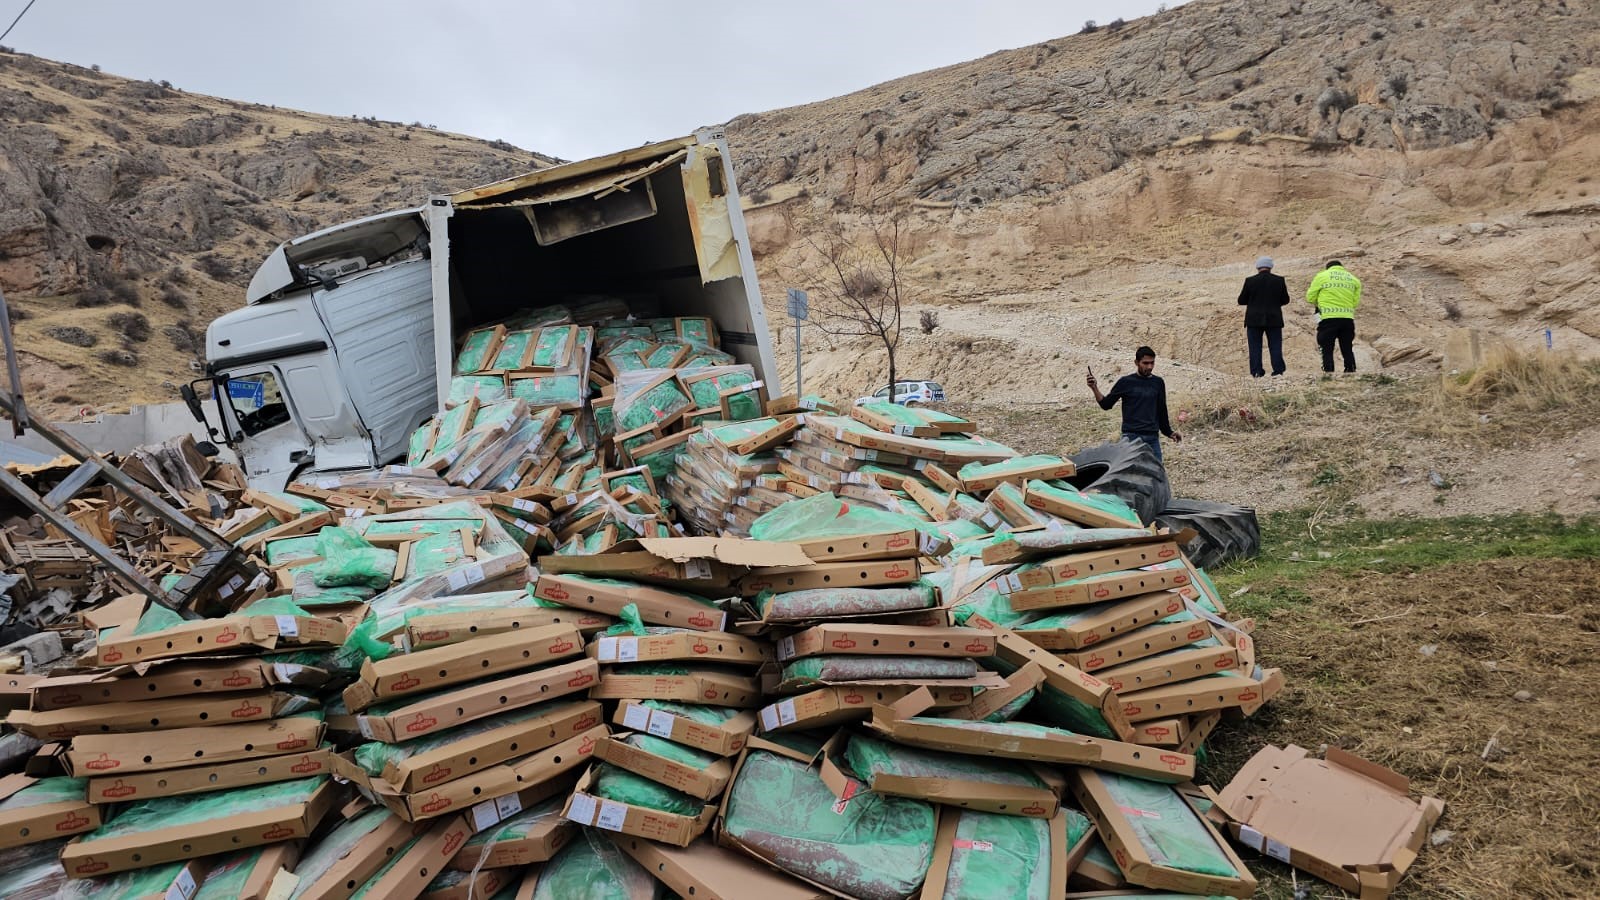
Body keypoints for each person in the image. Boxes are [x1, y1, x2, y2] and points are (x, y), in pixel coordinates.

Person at [1086, 346, 1182, 464]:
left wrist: (1169, 432)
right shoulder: (1125, 382)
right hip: (1130, 438)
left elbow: (1162, 410)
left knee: (1157, 473)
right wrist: (1094, 388)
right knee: (1130, 473)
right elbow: (1106, 404)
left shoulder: (1158, 382)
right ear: (1136, 362)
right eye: (1145, 363)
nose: (1149, 367)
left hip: (1152, 438)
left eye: (1152, 363)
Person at [1237, 256, 1289, 377]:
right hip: (1274, 318)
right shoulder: (1279, 280)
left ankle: (1256, 371)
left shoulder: (1250, 281)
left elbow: (1241, 300)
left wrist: (1253, 301)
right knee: (1275, 345)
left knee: (1255, 347)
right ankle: (1278, 371)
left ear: (1257, 267)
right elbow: (1285, 300)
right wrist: (1275, 303)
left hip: (1253, 319)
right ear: (1271, 267)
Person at [1306, 259, 1362, 373]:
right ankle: (1350, 370)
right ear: (1341, 267)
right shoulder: (1354, 279)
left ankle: (1328, 372)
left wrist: (1320, 303)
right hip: (1347, 318)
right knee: (1347, 347)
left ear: (1328, 268)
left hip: (1328, 318)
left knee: (1326, 347)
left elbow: (1310, 297)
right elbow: (1355, 302)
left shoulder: (1322, 276)